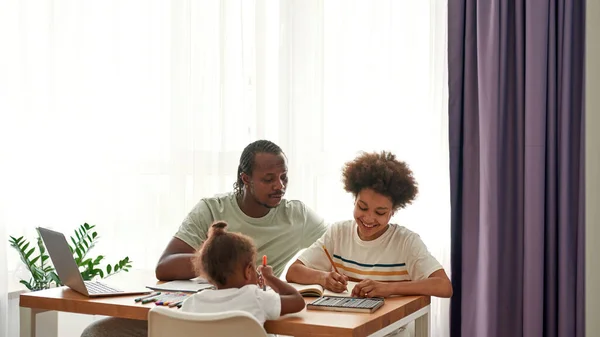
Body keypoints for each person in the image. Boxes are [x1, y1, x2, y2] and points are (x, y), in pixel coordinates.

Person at [81, 140, 326, 337]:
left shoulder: (296, 216)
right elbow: (165, 266)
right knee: (97, 332)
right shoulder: (211, 209)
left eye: (284, 176)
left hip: (249, 325)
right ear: (246, 179)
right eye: (269, 179)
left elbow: (335, 243)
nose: (280, 186)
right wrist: (222, 262)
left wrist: (322, 275)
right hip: (216, 319)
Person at [285, 151, 452, 336]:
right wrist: (323, 278)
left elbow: (443, 286)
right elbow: (293, 272)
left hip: (390, 329)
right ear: (354, 200)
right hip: (345, 326)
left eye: (380, 212)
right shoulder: (338, 233)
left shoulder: (406, 242)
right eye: (362, 207)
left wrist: (388, 288)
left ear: (393, 212)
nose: (369, 218)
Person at [180, 221, 305, 335]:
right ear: (248, 271)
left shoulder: (191, 303)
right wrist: (270, 277)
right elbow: (298, 301)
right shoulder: (256, 298)